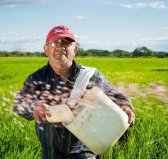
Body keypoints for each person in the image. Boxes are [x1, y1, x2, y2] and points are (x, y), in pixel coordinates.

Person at [13, 25, 135, 159]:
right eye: (54, 42)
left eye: (66, 43)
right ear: (46, 49)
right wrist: (34, 109)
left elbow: (116, 95)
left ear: (75, 49)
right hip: (51, 154)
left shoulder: (89, 75)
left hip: (85, 153)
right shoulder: (36, 78)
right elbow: (19, 105)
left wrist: (126, 106)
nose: (60, 46)